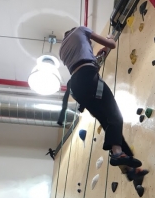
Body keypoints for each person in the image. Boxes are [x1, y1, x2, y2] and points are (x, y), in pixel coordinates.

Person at [58, 26, 146, 181]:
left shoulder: (63, 50)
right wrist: (110, 39)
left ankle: (130, 169)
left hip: (77, 87)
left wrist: (96, 57)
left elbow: (82, 64)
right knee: (115, 116)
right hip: (88, 77)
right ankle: (118, 154)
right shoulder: (81, 29)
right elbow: (111, 44)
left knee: (110, 125)